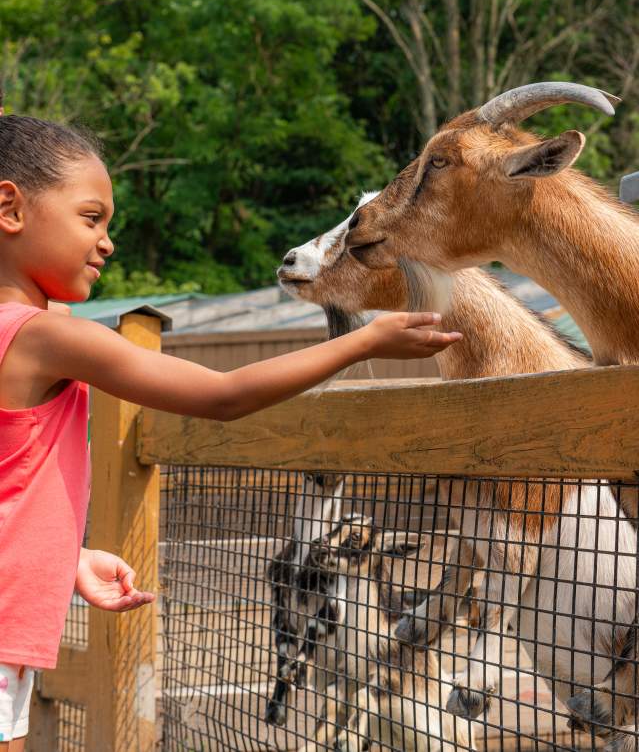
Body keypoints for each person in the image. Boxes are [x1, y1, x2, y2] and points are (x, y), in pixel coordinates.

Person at [0, 107, 462, 751]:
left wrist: (64, 557)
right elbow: (222, 395)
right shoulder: (42, 336)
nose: (107, 241)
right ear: (10, 208)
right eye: (90, 217)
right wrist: (364, 343)